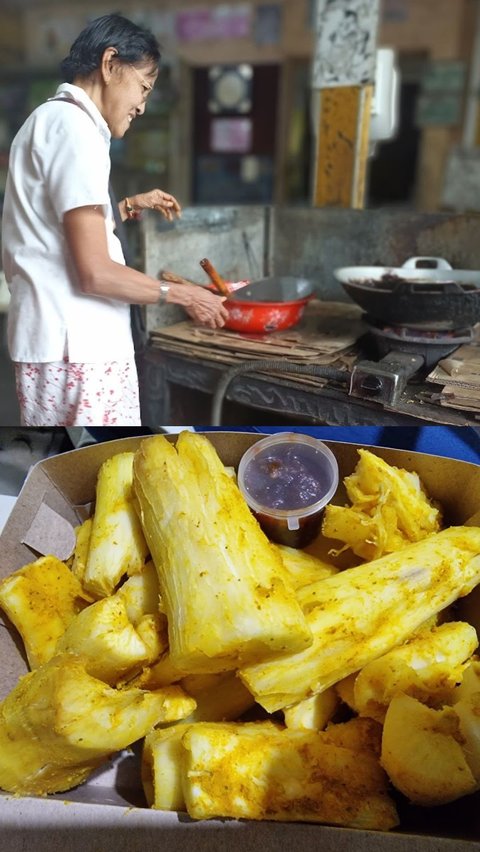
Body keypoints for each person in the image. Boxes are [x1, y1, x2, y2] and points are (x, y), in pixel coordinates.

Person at [1, 13, 228, 428]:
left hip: (58, 344)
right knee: (98, 472)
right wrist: (188, 296)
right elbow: (94, 273)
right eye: (142, 87)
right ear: (109, 64)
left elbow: (52, 226)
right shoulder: (75, 129)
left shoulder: (50, 120)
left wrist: (123, 207)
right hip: (80, 350)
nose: (142, 105)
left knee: (65, 470)